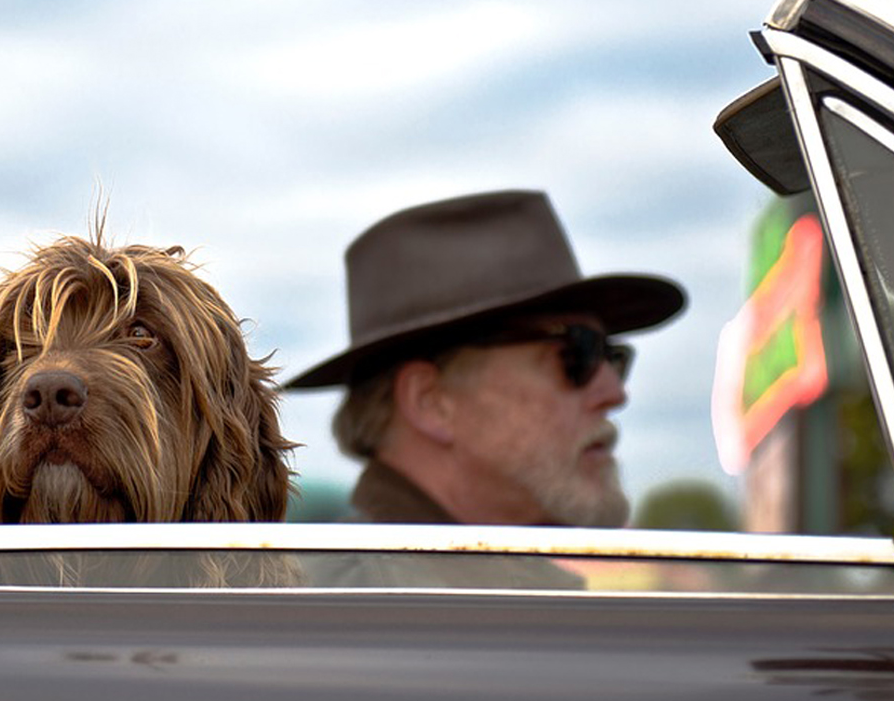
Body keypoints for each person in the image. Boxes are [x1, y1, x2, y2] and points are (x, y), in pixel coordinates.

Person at [287, 189, 685, 533]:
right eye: (576, 353)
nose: (614, 392)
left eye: (612, 357)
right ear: (430, 401)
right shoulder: (354, 613)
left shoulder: (486, 601)